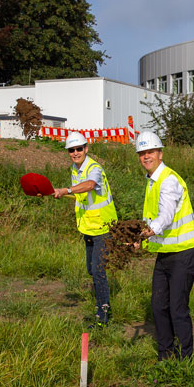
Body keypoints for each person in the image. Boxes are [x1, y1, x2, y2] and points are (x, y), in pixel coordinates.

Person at [135, 131, 194, 360]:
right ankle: (165, 353)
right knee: (158, 305)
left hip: (184, 252)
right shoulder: (152, 181)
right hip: (165, 253)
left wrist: (150, 231)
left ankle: (185, 359)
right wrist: (141, 237)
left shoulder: (169, 180)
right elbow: (154, 218)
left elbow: (166, 215)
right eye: (142, 153)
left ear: (160, 154)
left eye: (150, 152)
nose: (146, 157)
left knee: (177, 308)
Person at [53, 132, 118, 328]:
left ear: (86, 149)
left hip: (103, 227)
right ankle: (102, 297)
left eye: (79, 149)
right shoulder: (75, 169)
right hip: (88, 228)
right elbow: (80, 195)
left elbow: (90, 185)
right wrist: (58, 193)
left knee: (98, 271)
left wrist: (66, 190)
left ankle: (102, 314)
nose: (75, 153)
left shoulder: (94, 168)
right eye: (71, 150)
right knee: (92, 269)